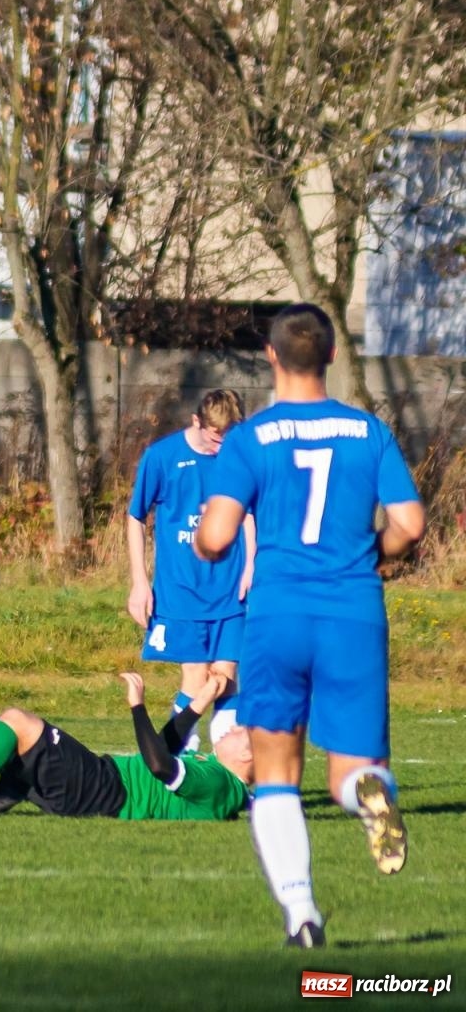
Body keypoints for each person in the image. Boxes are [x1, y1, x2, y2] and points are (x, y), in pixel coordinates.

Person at [196, 303, 424, 949]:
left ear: (270, 357)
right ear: (330, 355)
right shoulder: (368, 432)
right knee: (350, 772)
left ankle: (303, 916)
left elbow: (215, 535)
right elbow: (410, 523)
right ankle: (369, 793)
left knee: (276, 773)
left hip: (278, 616)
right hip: (353, 612)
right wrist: (369, 555)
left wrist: (210, 547)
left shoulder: (250, 438)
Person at [0, 672, 250, 823]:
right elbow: (166, 749)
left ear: (248, 756)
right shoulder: (217, 775)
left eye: (244, 733)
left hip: (105, 793)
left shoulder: (221, 785)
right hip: (102, 783)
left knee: (18, 723)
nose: (234, 729)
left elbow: (158, 765)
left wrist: (137, 706)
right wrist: (201, 700)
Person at [127, 390, 253, 751]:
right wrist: (139, 583)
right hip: (181, 590)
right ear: (196, 422)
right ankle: (179, 760)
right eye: (215, 436)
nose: (221, 444)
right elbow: (135, 517)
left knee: (226, 679)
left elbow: (249, 514)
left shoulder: (238, 457)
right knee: (197, 678)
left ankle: (227, 774)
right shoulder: (162, 458)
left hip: (231, 589)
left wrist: (252, 567)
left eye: (228, 435)